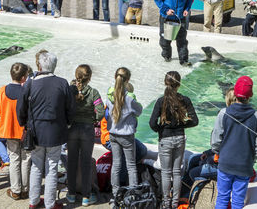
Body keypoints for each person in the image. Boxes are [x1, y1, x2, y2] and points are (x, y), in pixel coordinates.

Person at [17, 51, 74, 209]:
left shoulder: (30, 82)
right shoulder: (62, 83)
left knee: (36, 166)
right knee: (52, 166)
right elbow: (70, 109)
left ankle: (34, 201)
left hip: (35, 131)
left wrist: (24, 124)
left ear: (40, 66)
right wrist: (68, 124)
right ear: (54, 66)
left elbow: (21, 107)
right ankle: (50, 203)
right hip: (55, 131)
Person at [211, 76, 257, 209]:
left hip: (225, 164)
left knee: (222, 198)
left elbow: (216, 140)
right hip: (244, 166)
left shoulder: (223, 113)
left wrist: (219, 153)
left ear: (234, 93)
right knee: (237, 201)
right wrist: (251, 159)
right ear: (250, 95)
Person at [149, 71, 198, 208]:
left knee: (166, 172)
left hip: (165, 139)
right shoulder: (185, 100)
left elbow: (152, 122)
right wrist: (182, 125)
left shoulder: (161, 101)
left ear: (166, 82)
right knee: (177, 172)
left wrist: (160, 130)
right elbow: (195, 121)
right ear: (179, 84)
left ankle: (166, 203)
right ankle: (175, 203)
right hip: (180, 138)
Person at [66, 64, 104, 206]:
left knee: (71, 161)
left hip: (72, 129)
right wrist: (93, 120)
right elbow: (100, 112)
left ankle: (70, 194)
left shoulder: (70, 91)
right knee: (86, 162)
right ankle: (86, 197)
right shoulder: (94, 92)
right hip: (87, 129)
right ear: (90, 78)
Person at [104, 67, 143, 201]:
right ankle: (133, 195)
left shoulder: (109, 95)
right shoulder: (129, 98)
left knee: (116, 164)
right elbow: (139, 111)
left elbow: (107, 112)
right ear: (128, 80)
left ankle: (115, 194)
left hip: (113, 134)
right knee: (131, 166)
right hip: (126, 135)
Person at [0, 63, 31, 200]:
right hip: (23, 131)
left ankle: (15, 190)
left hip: (8, 129)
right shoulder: (26, 92)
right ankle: (25, 189)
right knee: (26, 159)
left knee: (14, 158)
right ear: (23, 78)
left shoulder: (2, 90)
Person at [154, 0, 194, 65]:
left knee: (182, 41)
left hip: (180, 18)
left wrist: (187, 9)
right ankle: (167, 57)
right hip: (166, 18)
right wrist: (166, 9)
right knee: (165, 41)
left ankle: (184, 61)